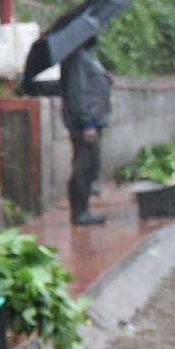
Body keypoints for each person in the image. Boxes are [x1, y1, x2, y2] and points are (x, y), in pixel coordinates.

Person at [57, 36, 113, 225]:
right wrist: (87, 124)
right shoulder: (77, 58)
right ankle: (80, 212)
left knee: (90, 166)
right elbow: (78, 92)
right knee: (83, 167)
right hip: (85, 124)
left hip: (92, 120)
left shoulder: (85, 56)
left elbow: (89, 84)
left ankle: (83, 209)